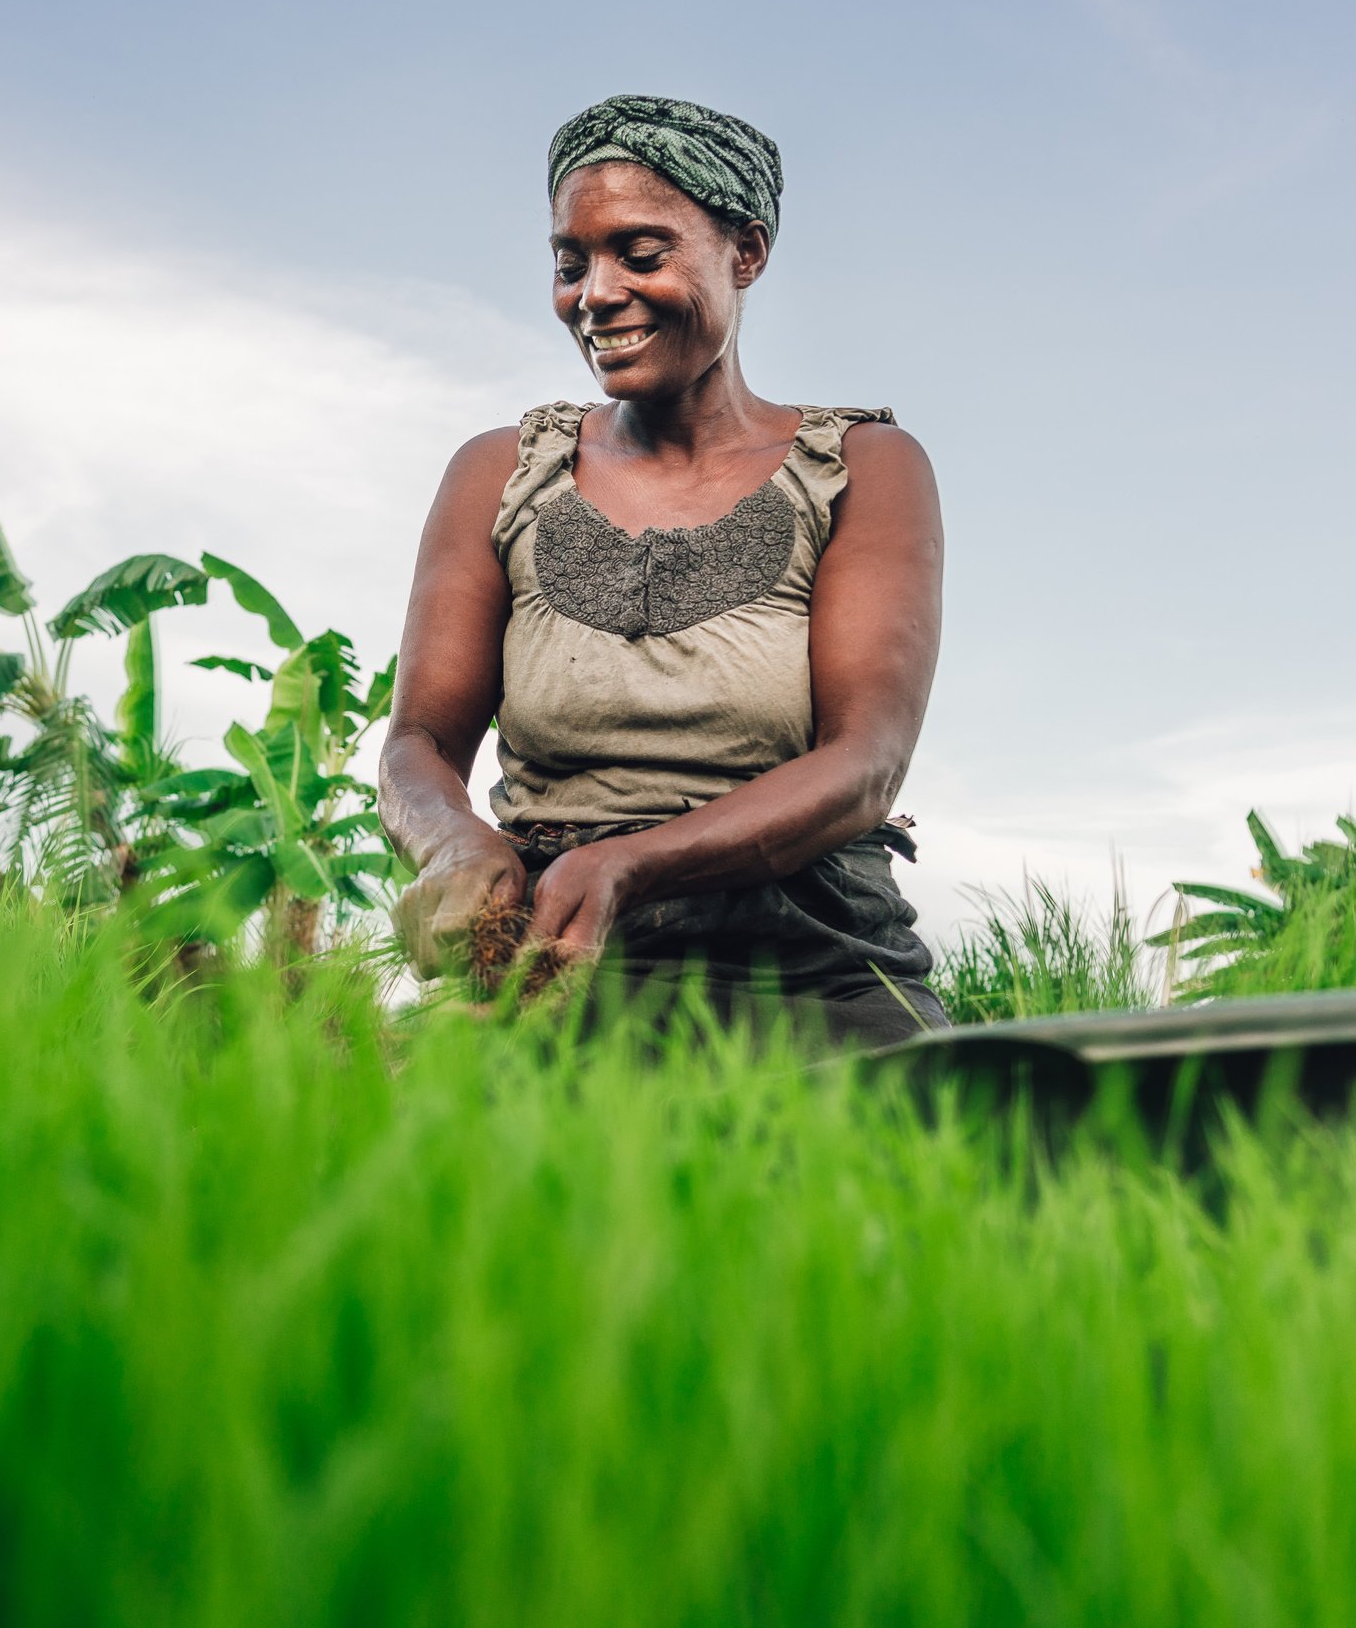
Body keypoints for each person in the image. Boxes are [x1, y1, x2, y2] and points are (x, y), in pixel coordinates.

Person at [378, 94, 948, 1045]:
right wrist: (455, 842)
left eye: (640, 254)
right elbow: (418, 746)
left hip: (807, 958)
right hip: (550, 950)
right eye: (571, 263)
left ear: (747, 252)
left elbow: (864, 765)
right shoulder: (501, 471)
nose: (595, 292)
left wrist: (630, 866)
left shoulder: (864, 468)